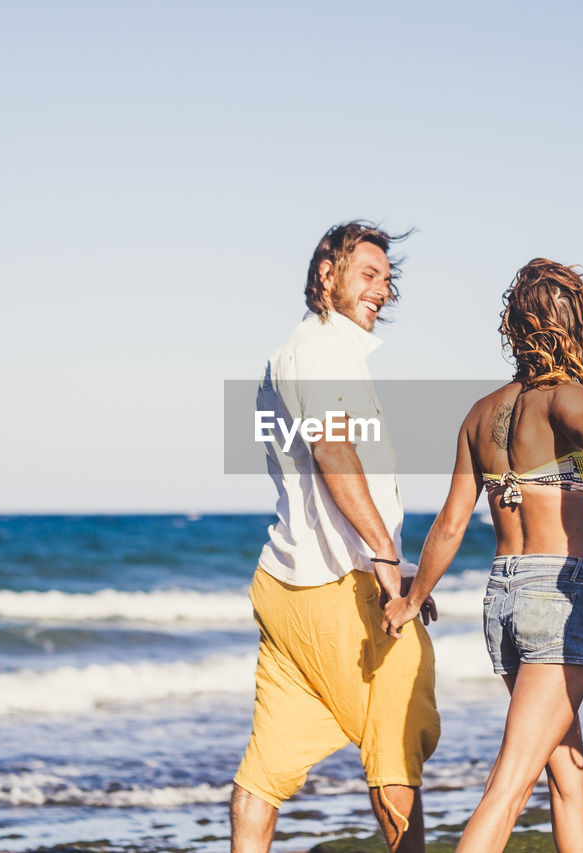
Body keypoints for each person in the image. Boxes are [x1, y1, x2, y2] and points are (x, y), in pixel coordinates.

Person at [382, 258, 583, 852]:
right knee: (509, 786)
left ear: (515, 328)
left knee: (571, 776)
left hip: (504, 600)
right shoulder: (566, 397)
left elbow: (451, 521)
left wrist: (413, 599)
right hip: (559, 596)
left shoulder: (480, 413)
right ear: (573, 327)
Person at [231, 221, 440, 853]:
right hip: (336, 586)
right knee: (395, 732)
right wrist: (386, 560)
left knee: (265, 771)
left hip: (287, 582)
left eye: (388, 279)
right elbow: (333, 453)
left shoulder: (295, 354)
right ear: (329, 275)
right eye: (369, 275)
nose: (384, 291)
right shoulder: (321, 350)